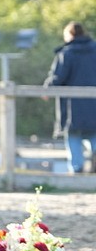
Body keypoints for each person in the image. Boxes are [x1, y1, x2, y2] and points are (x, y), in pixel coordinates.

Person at [44, 21, 96, 174]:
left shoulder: (66, 53)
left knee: (73, 136)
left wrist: (47, 89)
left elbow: (58, 77)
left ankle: (76, 169)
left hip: (72, 107)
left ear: (70, 35)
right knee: (94, 135)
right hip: (94, 106)